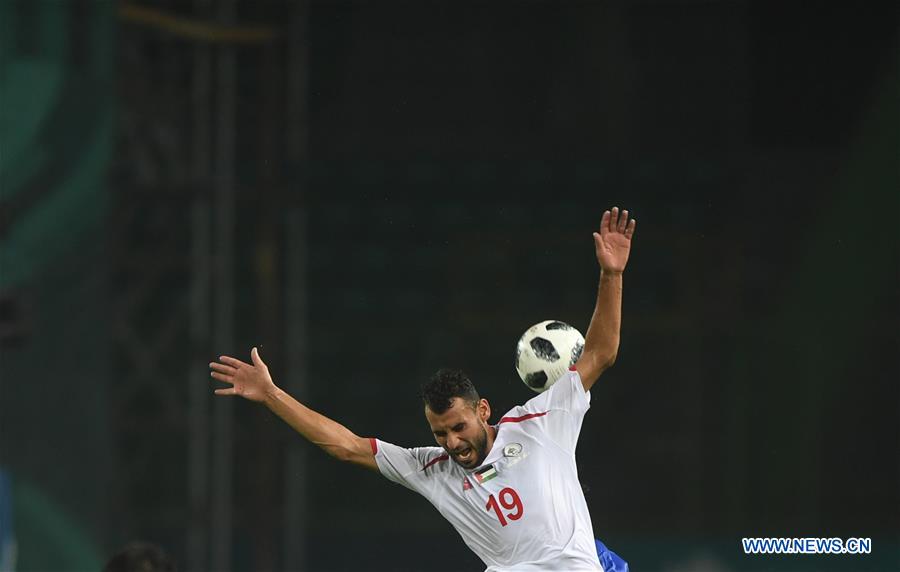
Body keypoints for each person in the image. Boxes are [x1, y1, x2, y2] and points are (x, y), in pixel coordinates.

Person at [210, 207, 635, 571]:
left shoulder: (539, 423)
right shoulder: (433, 470)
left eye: (458, 426)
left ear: (483, 410)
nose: (452, 442)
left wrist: (610, 273)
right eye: (440, 433)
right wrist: (270, 394)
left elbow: (600, 353)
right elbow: (346, 446)